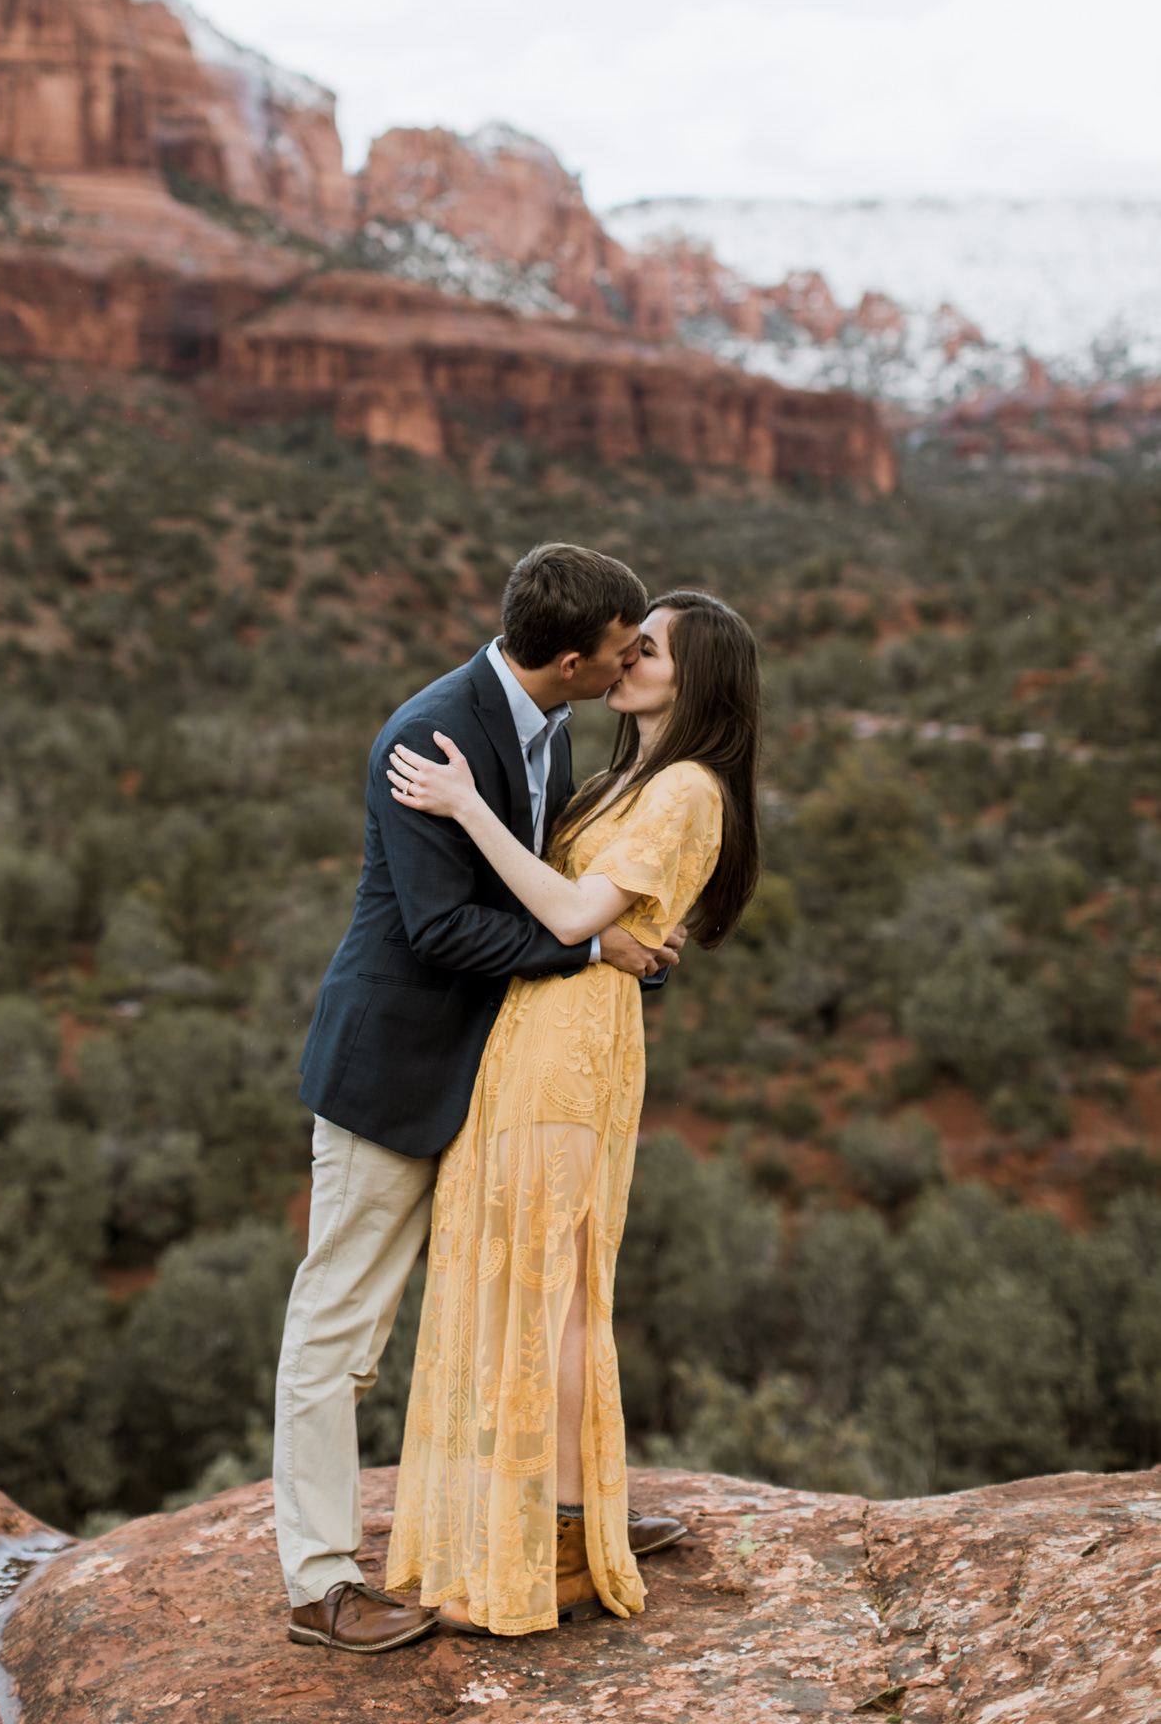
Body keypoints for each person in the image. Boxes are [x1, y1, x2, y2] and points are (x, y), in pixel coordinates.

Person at [276, 545, 689, 1656]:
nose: (625, 665)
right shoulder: (431, 732)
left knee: (509, 1311)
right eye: (618, 649)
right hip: (394, 1070)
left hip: (494, 1082)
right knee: (339, 1332)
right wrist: (596, 943)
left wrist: (628, 925)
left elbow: (540, 872)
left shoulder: (554, 727)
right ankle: (317, 1583)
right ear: (567, 656)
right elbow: (440, 928)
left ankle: (559, 1521)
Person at [382, 591, 761, 1636]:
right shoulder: (617, 777)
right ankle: (554, 1524)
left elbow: (564, 912)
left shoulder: (687, 789)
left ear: (700, 678)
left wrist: (466, 805)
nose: (625, 659)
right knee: (520, 1269)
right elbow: (559, 915)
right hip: (529, 1029)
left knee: (551, 1284)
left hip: (573, 1046)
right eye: (627, 643)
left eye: (650, 650)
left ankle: (552, 1544)